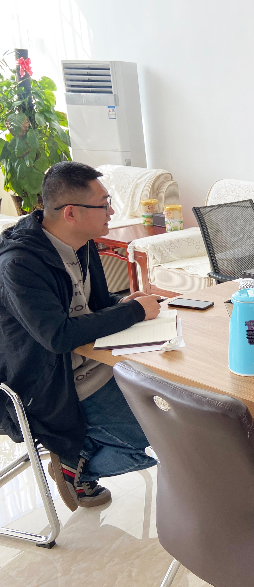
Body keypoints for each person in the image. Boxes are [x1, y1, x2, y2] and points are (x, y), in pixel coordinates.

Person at [0, 162, 161, 510]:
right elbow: (57, 336)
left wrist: (123, 304)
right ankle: (77, 464)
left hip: (96, 360)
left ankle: (80, 449)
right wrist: (132, 312)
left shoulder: (81, 243)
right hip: (51, 383)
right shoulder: (19, 264)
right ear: (71, 212)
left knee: (177, 418)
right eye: (104, 204)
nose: (112, 211)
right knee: (155, 440)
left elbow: (94, 305)